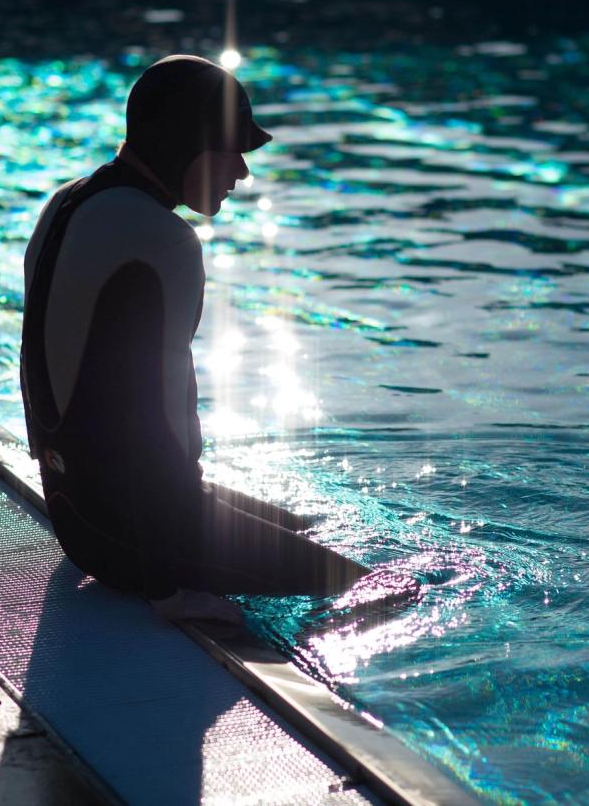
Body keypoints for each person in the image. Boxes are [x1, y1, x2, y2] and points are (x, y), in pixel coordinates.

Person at [20, 55, 369, 616]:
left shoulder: (66, 202)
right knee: (362, 585)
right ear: (188, 145)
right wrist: (167, 586)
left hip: (69, 509)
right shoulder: (164, 239)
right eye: (232, 152)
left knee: (300, 527)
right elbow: (161, 417)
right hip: (135, 541)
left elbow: (33, 369)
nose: (242, 173)